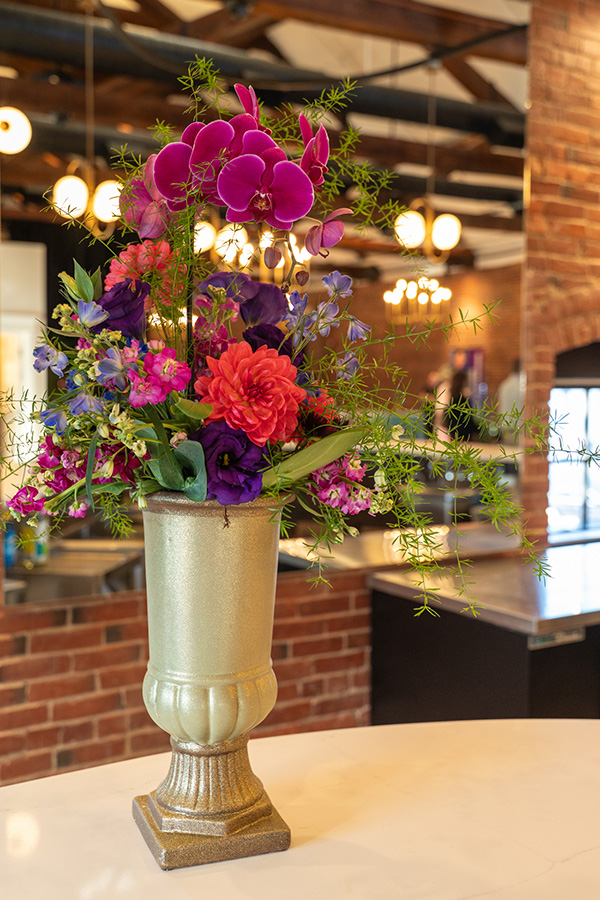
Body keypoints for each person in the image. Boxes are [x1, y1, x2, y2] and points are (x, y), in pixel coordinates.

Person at [497, 359, 525, 444]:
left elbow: (499, 408)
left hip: (505, 429)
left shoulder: (504, 385)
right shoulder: (522, 387)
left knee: (507, 455)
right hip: (518, 429)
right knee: (518, 456)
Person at [444, 370, 476, 440]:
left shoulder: (453, 397)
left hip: (455, 432)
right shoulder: (460, 399)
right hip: (462, 434)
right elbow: (466, 418)